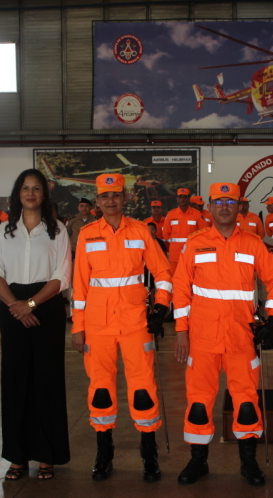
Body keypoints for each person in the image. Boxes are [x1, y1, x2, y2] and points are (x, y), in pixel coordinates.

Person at [172, 182, 273, 486]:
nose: (224, 207)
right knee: (199, 403)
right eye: (219, 202)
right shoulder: (195, 244)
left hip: (242, 338)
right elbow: (181, 289)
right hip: (202, 338)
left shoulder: (253, 244)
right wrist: (181, 330)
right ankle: (198, 462)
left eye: (230, 202)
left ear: (239, 207)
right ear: (209, 207)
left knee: (246, 403)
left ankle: (249, 463)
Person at [71, 173, 172, 483]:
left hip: (135, 323)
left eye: (116, 194)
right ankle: (104, 453)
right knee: (101, 390)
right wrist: (77, 327)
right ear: (97, 201)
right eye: (105, 196)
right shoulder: (87, 235)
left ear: (125, 197)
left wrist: (161, 306)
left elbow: (163, 272)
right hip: (97, 325)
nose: (110, 200)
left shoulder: (141, 231)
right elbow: (80, 285)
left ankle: (149, 454)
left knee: (143, 390)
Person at [0, 169, 72, 480]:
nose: (31, 193)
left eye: (36, 188)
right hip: (12, 308)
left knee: (47, 380)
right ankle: (17, 456)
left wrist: (31, 304)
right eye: (25, 188)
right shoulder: (4, 230)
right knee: (15, 381)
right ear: (17, 193)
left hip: (46, 307)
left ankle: (47, 455)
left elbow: (62, 275)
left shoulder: (58, 229)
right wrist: (16, 305)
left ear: (44, 195)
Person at [162, 188, 205, 273]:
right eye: (180, 196)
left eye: (185, 197)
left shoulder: (197, 214)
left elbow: (203, 232)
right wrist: (174, 244)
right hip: (175, 253)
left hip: (191, 251)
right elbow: (166, 234)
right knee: (174, 276)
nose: (182, 199)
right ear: (177, 198)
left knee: (191, 275)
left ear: (189, 198)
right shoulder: (171, 214)